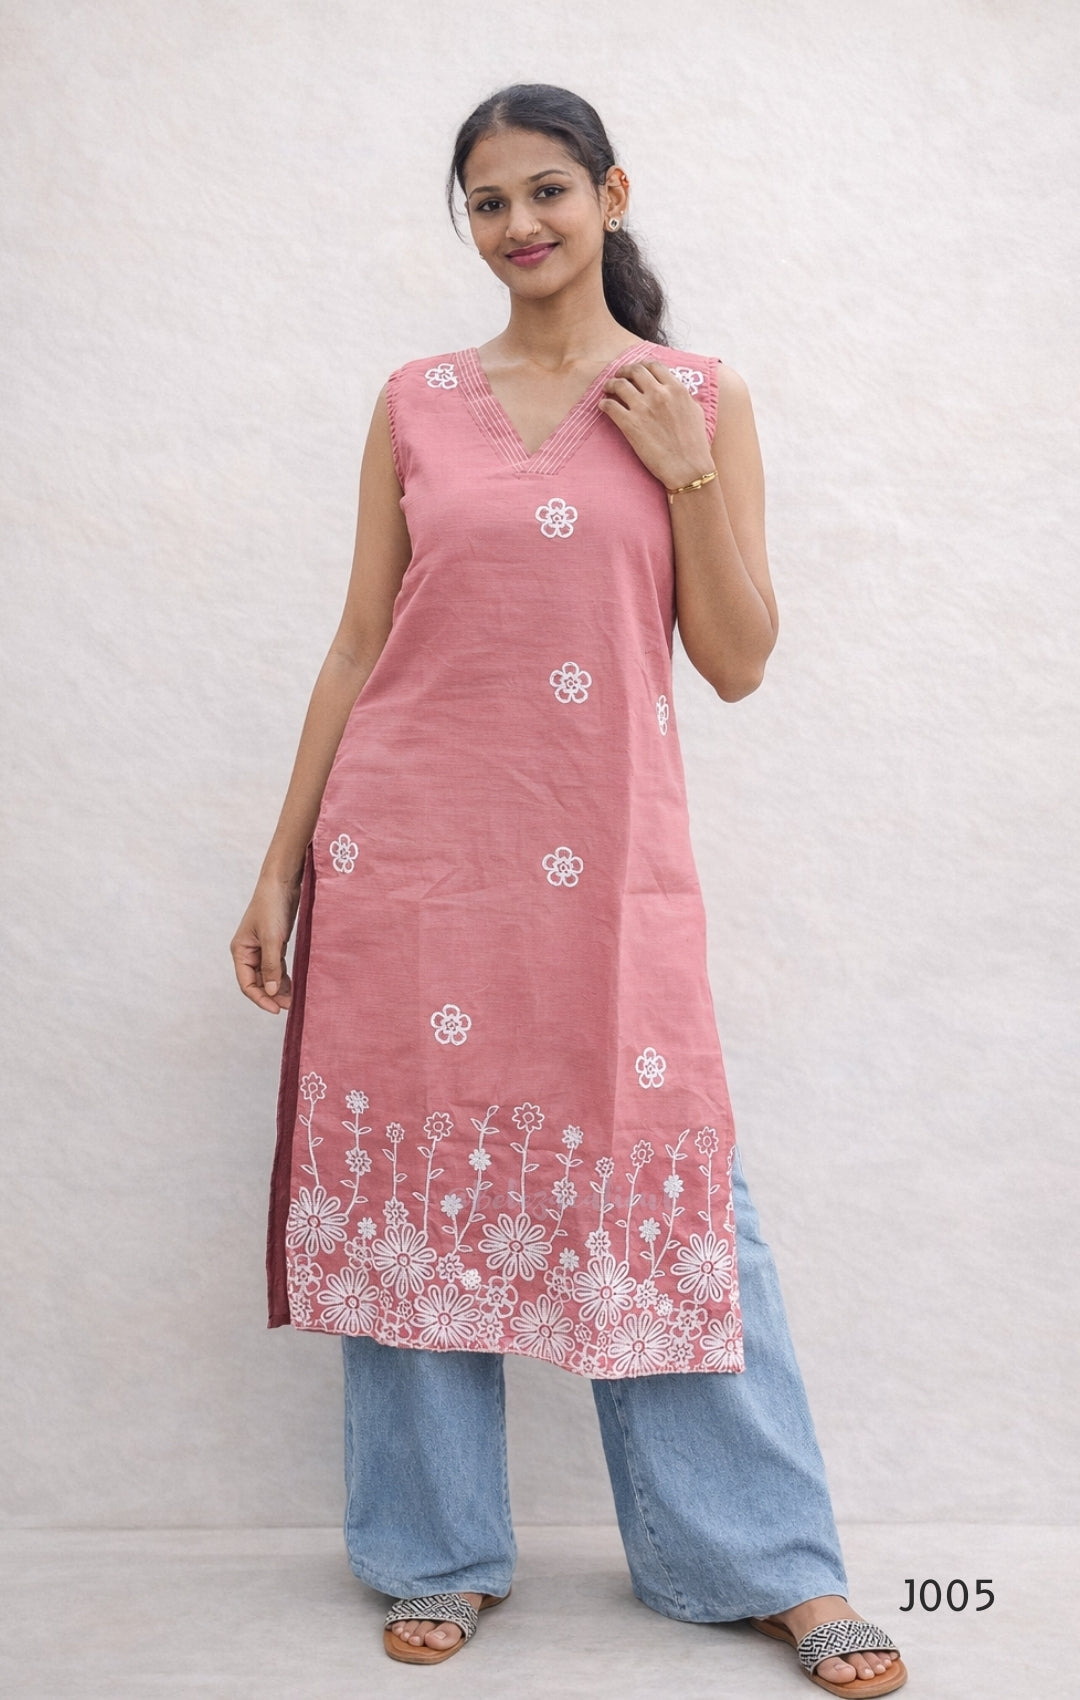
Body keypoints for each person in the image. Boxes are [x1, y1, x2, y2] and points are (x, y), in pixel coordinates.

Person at [230, 82, 907, 1696]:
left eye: (547, 190)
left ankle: (766, 1564)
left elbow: (737, 662)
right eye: (488, 202)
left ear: (610, 194)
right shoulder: (416, 400)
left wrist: (682, 472)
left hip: (601, 873)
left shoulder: (697, 397)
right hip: (407, 860)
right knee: (415, 1189)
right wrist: (279, 866)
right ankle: (435, 1552)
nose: (519, 225)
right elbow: (358, 641)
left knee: (670, 1195)